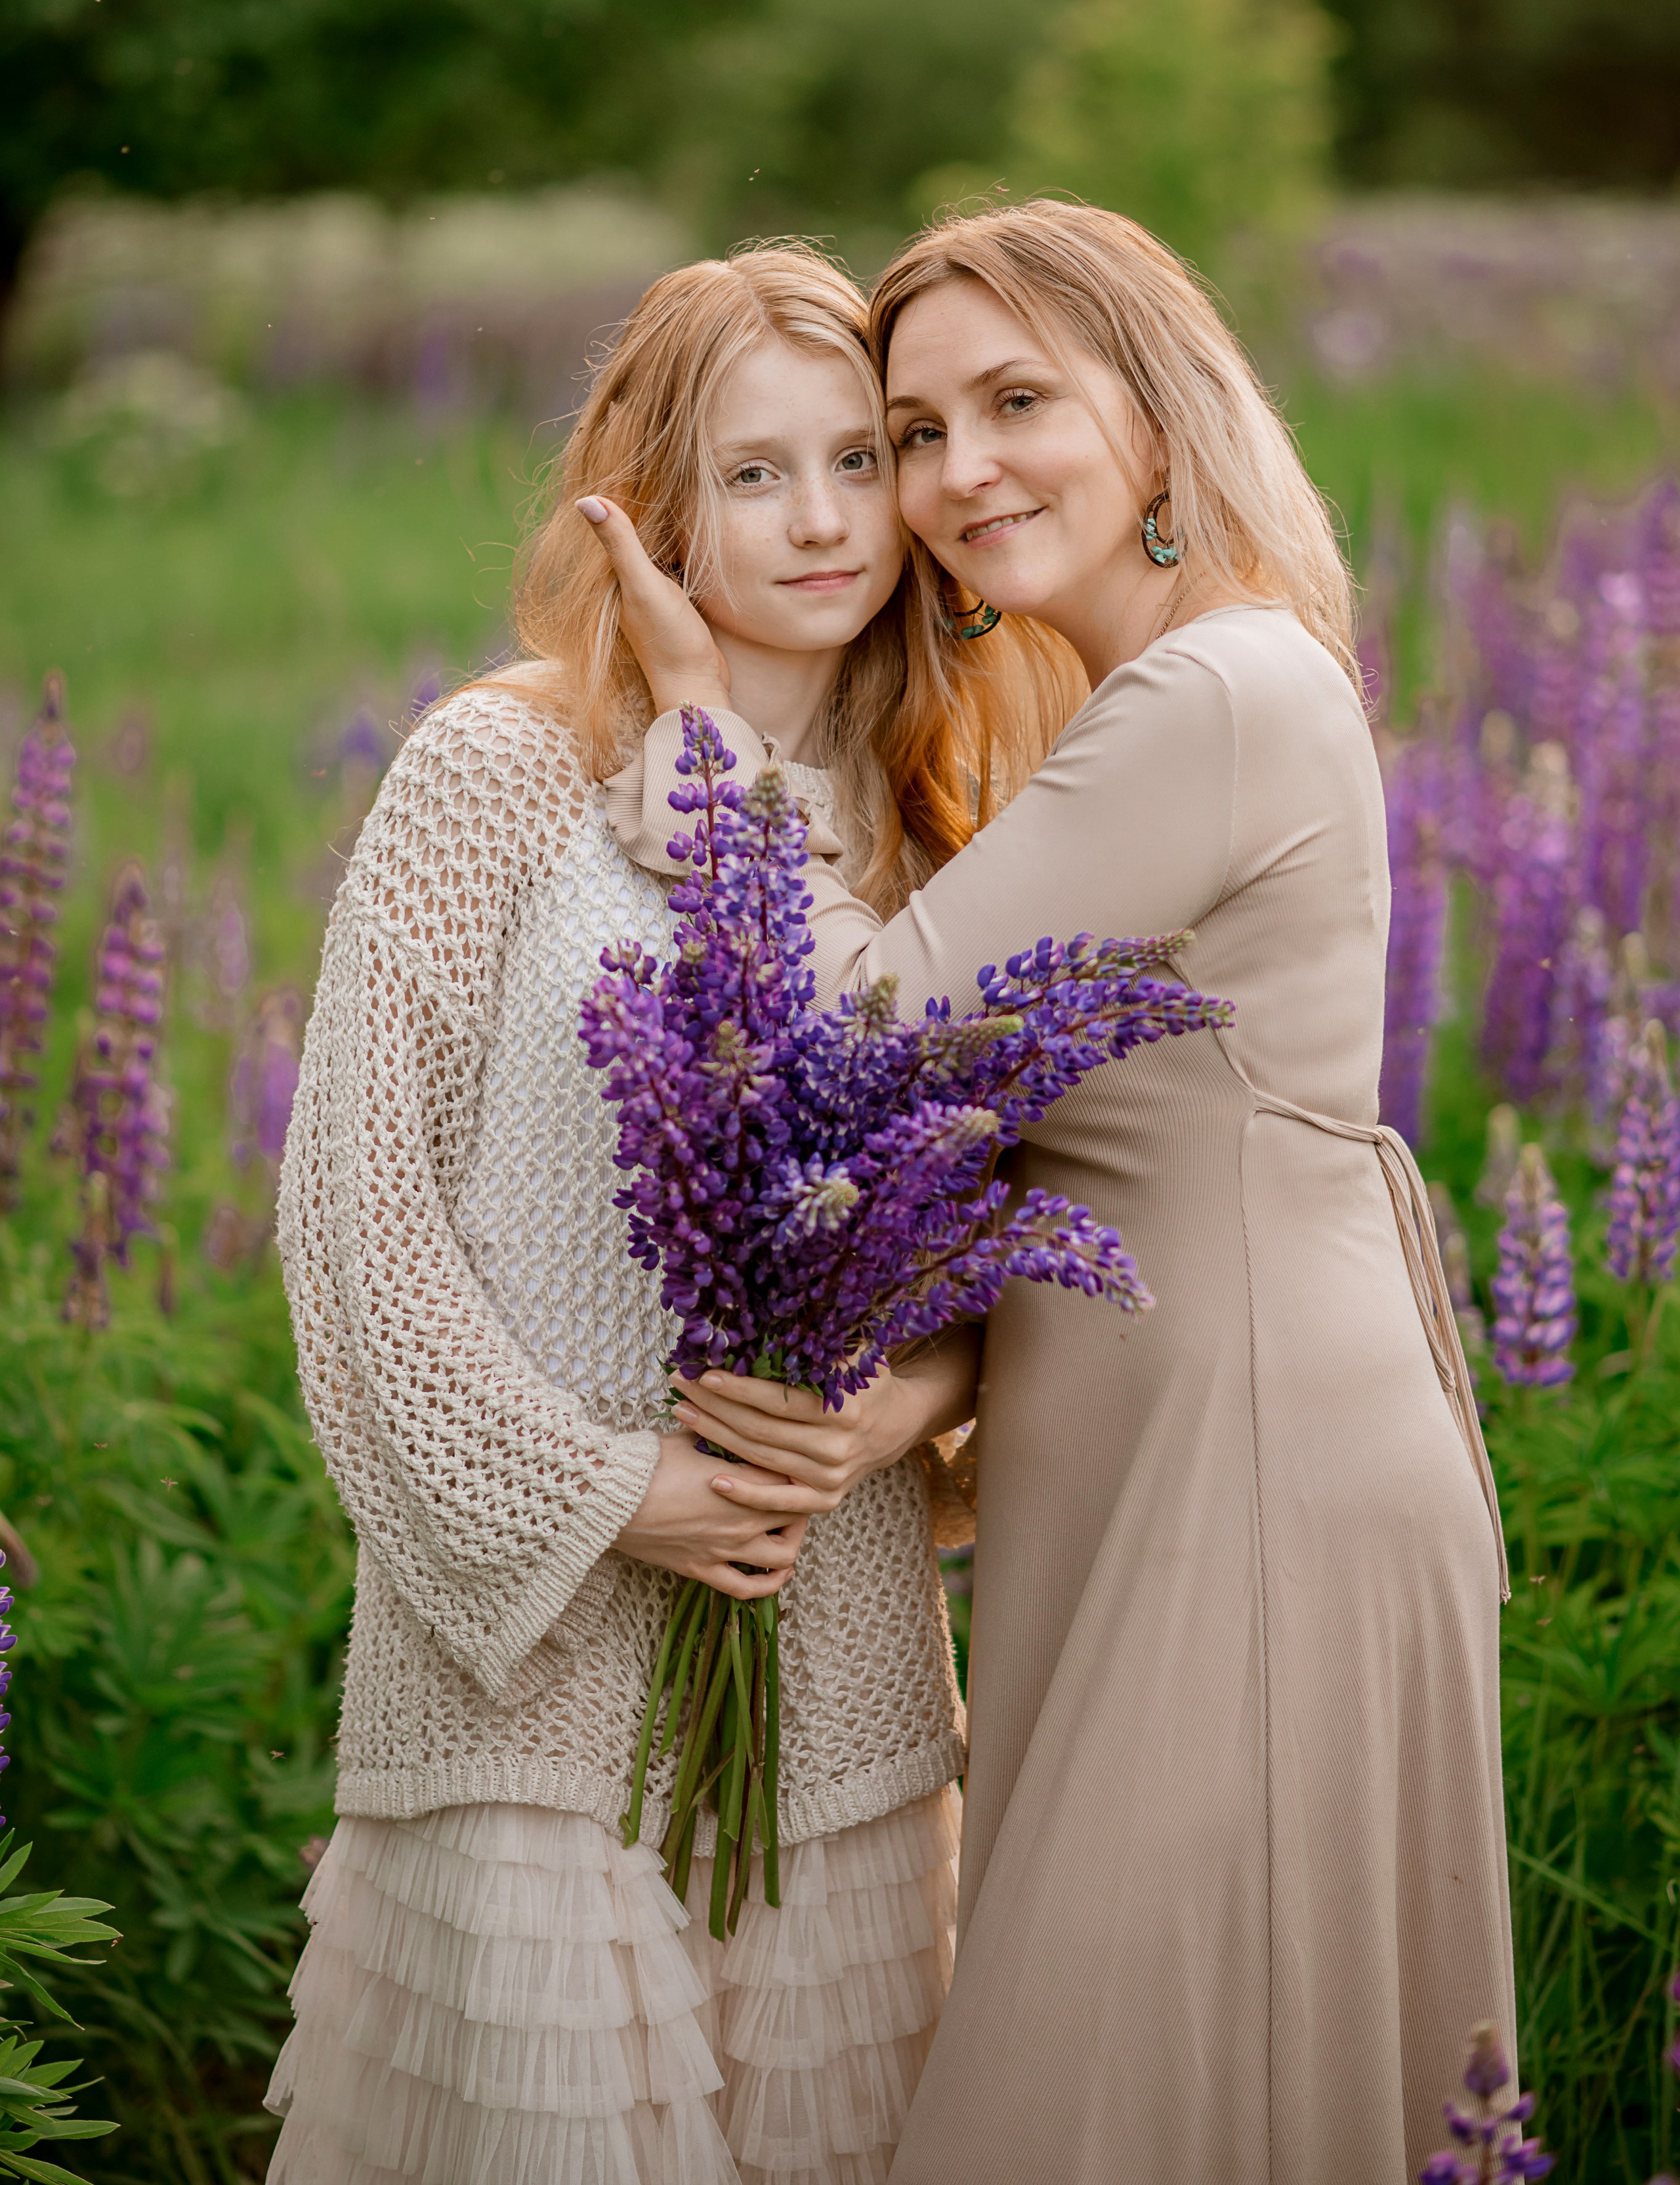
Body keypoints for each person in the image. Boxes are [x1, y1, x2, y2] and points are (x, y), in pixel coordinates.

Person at [583, 199, 1517, 2185]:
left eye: (1017, 402)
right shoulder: (1172, 694)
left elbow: (850, 1033)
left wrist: (698, 710)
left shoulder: (1214, 696)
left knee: (1079, 2104)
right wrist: (916, 1386)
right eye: (917, 429)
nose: (952, 473)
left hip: (1245, 1474)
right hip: (1182, 1453)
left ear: (1159, 419)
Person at [264, 243, 1078, 2185]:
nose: (820, 519)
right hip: (527, 1700)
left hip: (846, 1685)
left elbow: (987, 1246)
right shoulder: (497, 770)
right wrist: (616, 1494)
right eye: (752, 473)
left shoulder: (942, 815)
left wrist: (897, 1409)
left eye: (857, 461)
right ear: (649, 507)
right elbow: (357, 1221)